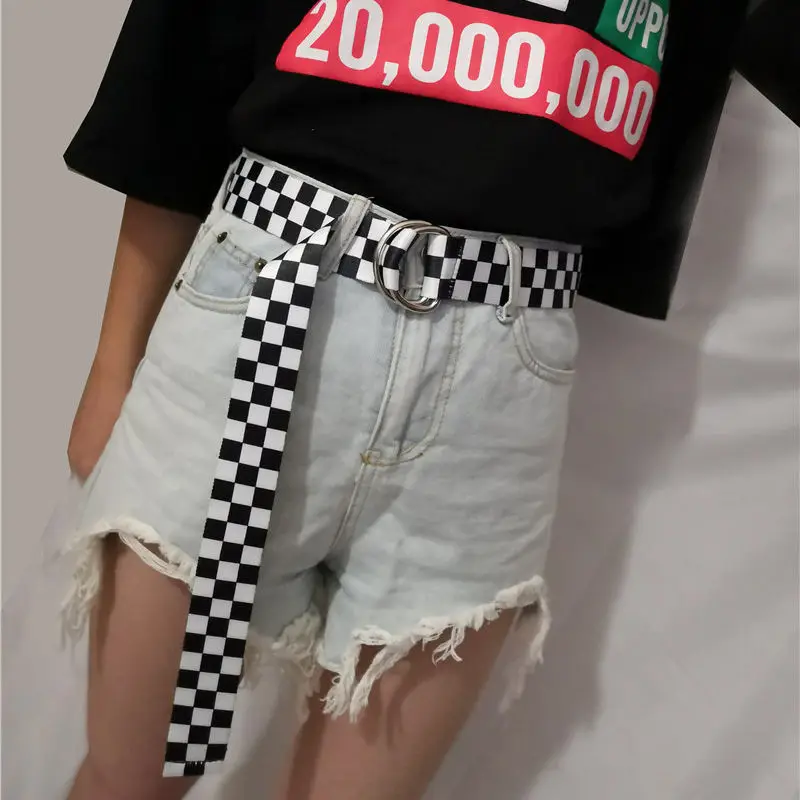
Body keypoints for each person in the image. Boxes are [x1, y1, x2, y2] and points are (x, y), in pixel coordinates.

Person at [57, 1, 755, 798]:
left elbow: (671, 112)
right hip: (265, 311)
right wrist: (113, 362)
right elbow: (180, 67)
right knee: (131, 780)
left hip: (496, 385)